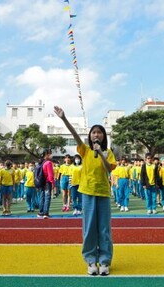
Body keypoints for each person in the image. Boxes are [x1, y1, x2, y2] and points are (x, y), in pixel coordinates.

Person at [54, 106, 116, 276]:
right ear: (90, 136)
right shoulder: (85, 150)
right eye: (93, 132)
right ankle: (90, 260)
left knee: (104, 228)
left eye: (99, 132)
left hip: (103, 193)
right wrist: (64, 118)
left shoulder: (108, 152)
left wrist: (101, 153)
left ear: (103, 136)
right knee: (89, 228)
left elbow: (108, 169)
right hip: (87, 192)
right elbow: (74, 135)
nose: (96, 135)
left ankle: (104, 260)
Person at [37, 149, 55, 219]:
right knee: (47, 197)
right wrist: (53, 183)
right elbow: (50, 175)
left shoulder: (40, 162)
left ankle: (41, 212)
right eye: (50, 154)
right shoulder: (48, 163)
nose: (51, 155)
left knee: (42, 197)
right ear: (47, 154)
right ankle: (46, 213)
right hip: (47, 182)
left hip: (41, 182)